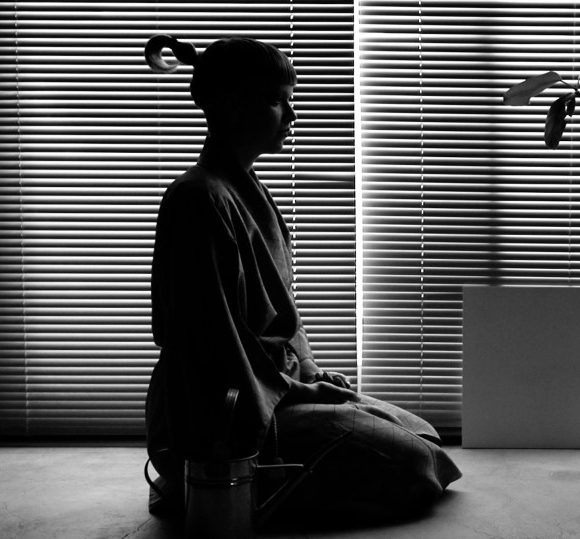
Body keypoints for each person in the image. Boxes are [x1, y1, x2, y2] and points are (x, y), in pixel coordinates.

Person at [142, 35, 461, 523]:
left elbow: (282, 314)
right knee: (417, 466)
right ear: (232, 105)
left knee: (425, 435)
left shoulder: (249, 189)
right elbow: (213, 345)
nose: (291, 115)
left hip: (277, 385)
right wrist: (298, 391)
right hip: (228, 413)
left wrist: (309, 372)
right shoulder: (197, 199)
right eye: (277, 101)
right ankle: (198, 485)